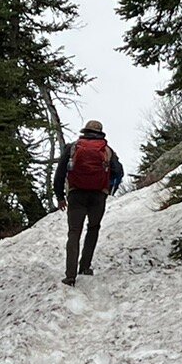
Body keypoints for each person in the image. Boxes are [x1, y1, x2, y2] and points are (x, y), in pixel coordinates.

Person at [53, 119, 123, 285]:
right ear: (100, 132)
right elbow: (118, 171)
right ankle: (85, 266)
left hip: (76, 194)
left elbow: (60, 174)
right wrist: (109, 189)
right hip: (98, 195)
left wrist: (60, 197)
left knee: (74, 232)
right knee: (93, 228)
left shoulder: (72, 147)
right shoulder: (106, 150)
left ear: (84, 131)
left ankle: (70, 276)